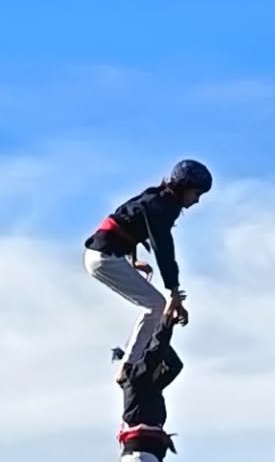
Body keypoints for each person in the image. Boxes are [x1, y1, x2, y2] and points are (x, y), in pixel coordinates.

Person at [83, 159, 211, 381]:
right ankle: (128, 366)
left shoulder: (157, 197)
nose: (197, 200)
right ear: (184, 187)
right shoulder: (163, 207)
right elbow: (164, 250)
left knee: (154, 305)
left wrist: (132, 261)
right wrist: (174, 292)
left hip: (103, 254)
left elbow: (127, 218)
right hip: (104, 257)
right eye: (196, 193)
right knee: (156, 305)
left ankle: (133, 359)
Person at [117, 313, 183, 462]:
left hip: (146, 460)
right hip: (140, 460)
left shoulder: (150, 387)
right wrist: (164, 323)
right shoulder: (136, 380)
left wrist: (160, 328)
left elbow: (175, 365)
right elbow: (154, 355)